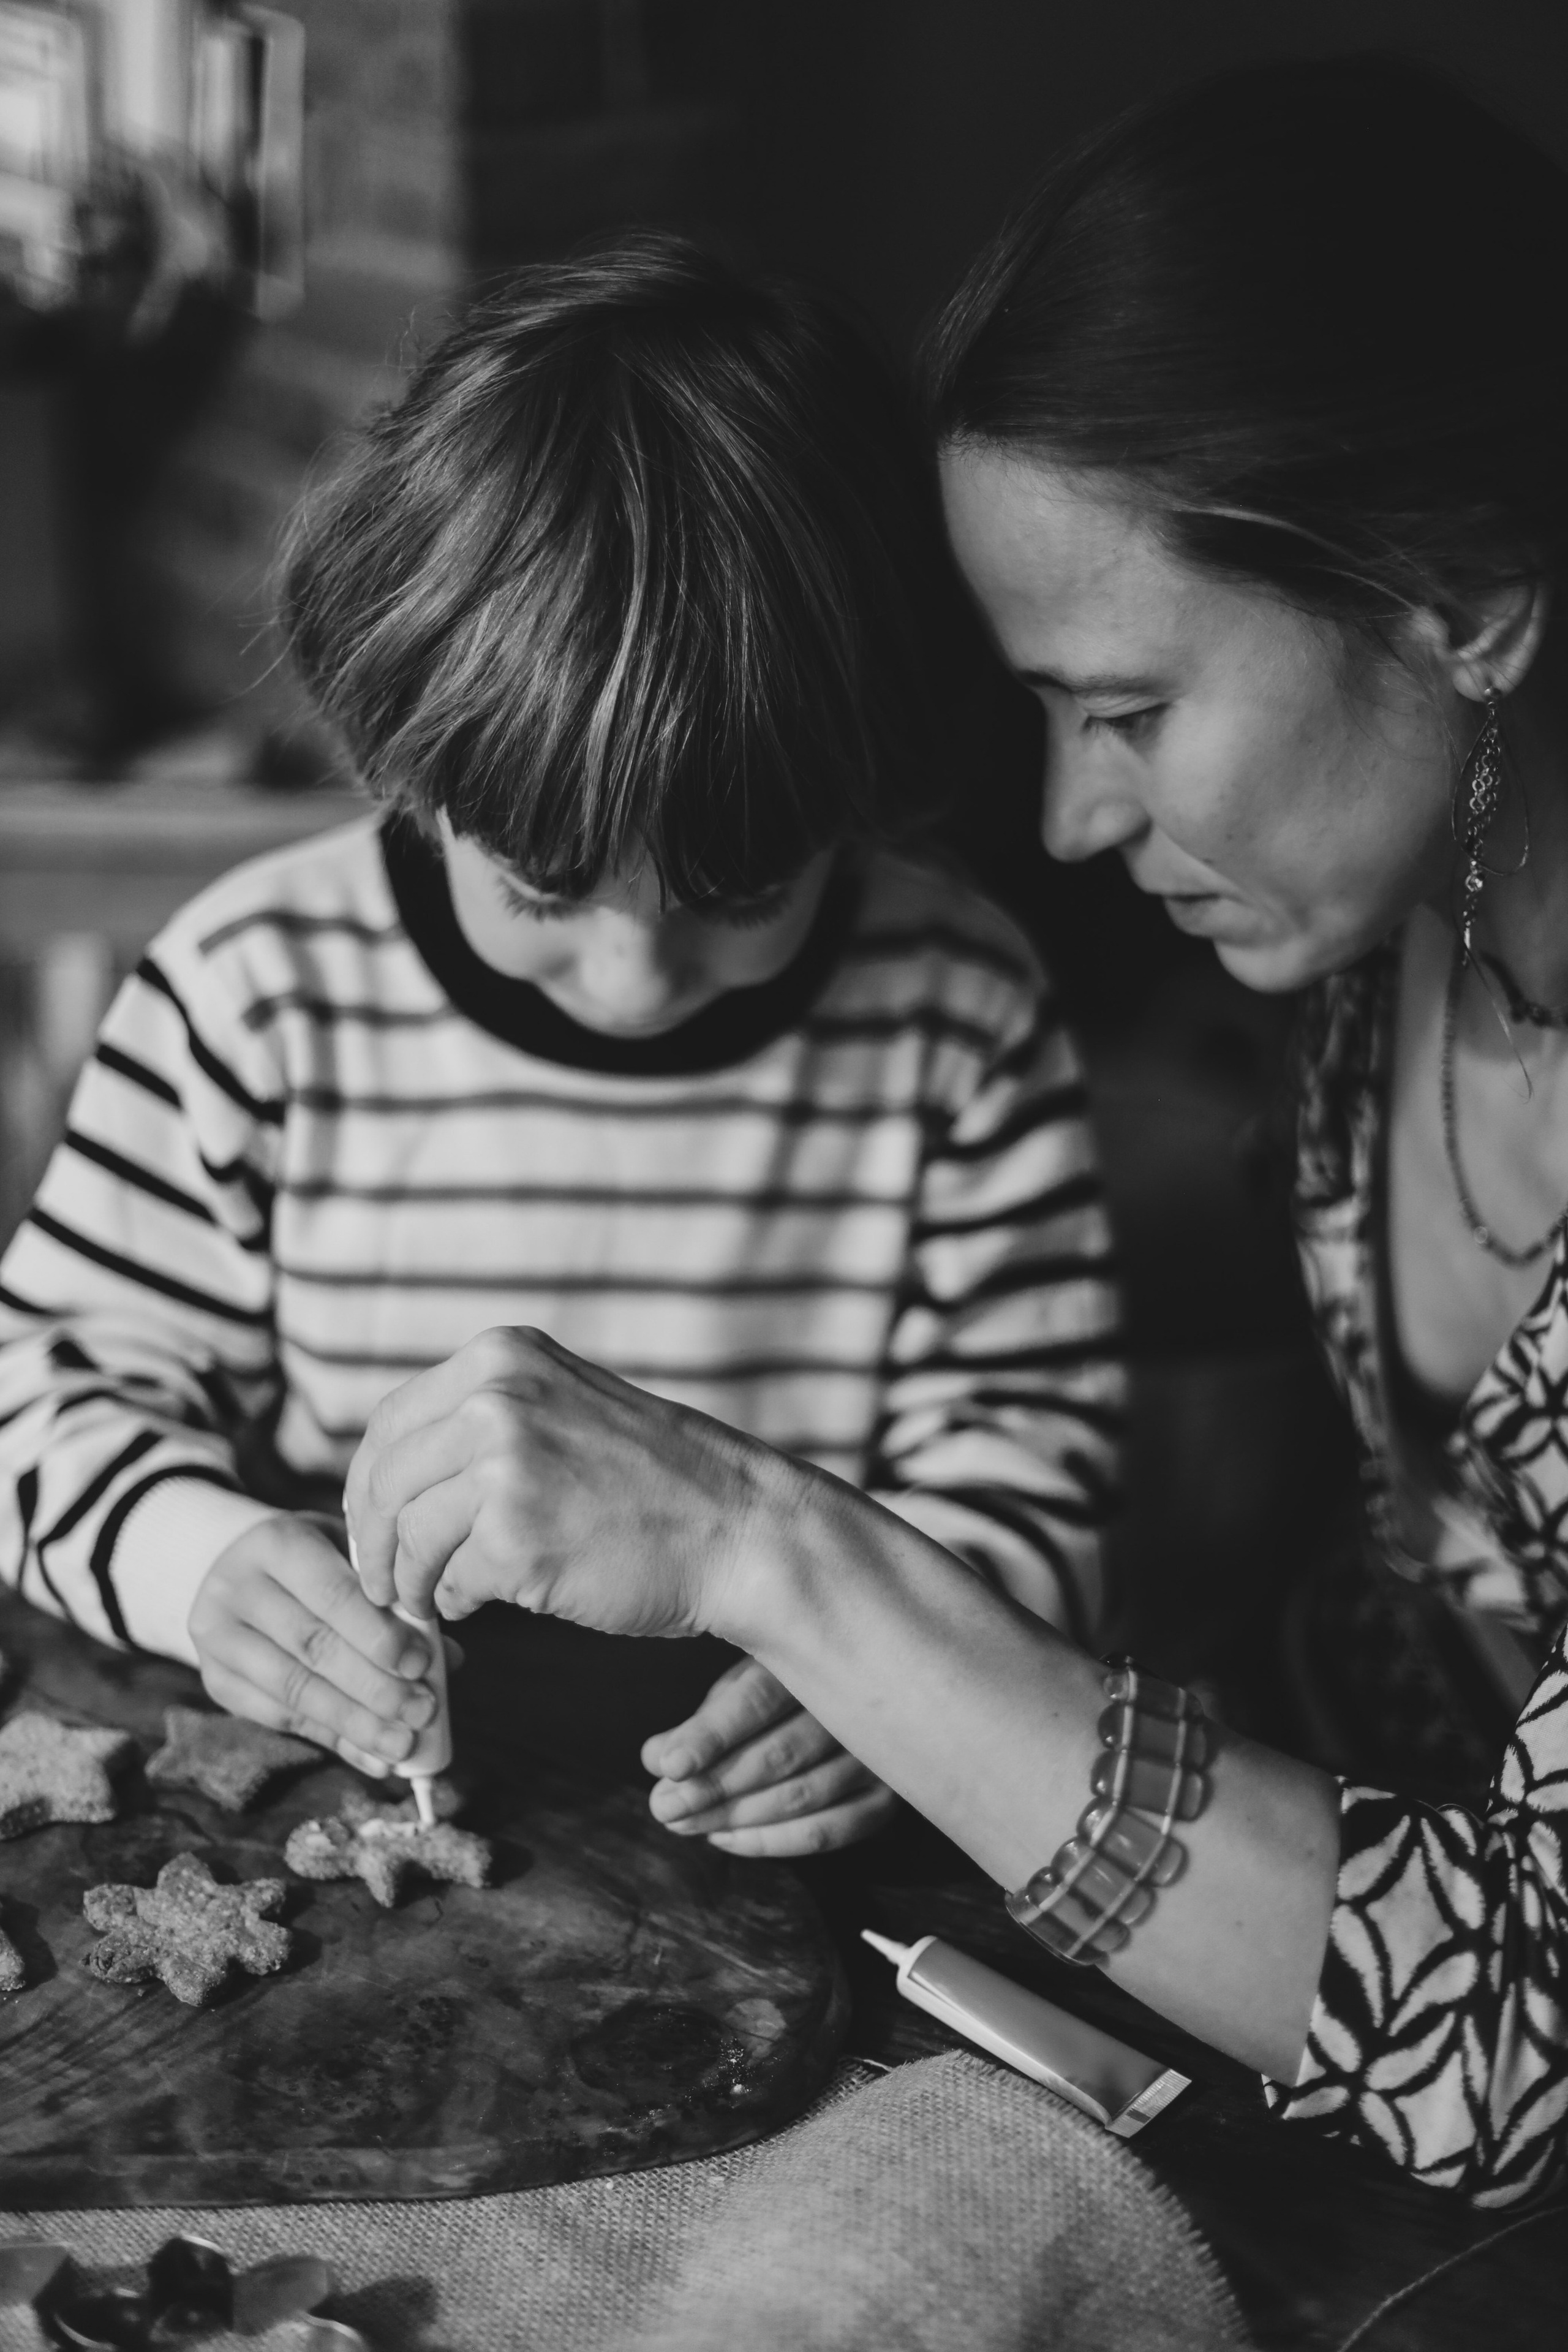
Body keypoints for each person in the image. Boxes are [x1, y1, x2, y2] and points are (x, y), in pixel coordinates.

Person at [339, 58, 1568, 2206]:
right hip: (1254, 1943)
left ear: (1458, 600)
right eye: (1044, 719)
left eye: (1129, 712)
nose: (1080, 825)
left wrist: (766, 1541)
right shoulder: (1386, 954)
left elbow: (1510, 2033)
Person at [0, 238, 1121, 1856]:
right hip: (353, 1808)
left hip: (774, 1831)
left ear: (866, 786)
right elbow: (45, 1392)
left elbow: (1033, 1471)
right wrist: (206, 1564)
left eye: (740, 892)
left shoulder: (956, 1014)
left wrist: (896, 1677)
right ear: (409, 765)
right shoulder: (257, 991)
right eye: (544, 889)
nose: (633, 976)